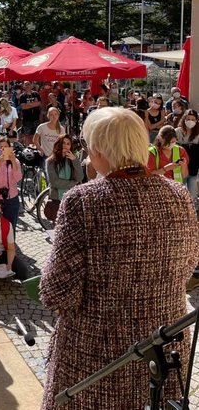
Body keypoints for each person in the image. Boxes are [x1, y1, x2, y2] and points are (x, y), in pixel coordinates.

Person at [40, 107, 199, 409]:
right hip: (164, 349)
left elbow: (58, 292)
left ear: (99, 150)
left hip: (97, 356)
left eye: (87, 145)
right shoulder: (179, 196)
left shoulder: (83, 201)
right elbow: (189, 265)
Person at [0, 137, 22, 233]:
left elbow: (18, 178)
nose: (3, 150)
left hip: (11, 199)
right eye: (0, 147)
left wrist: (13, 161)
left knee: (10, 227)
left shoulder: (15, 161)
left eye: (6, 147)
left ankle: (10, 242)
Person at [45, 134, 84, 220]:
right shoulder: (50, 161)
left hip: (72, 198)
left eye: (68, 144)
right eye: (63, 143)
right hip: (57, 199)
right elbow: (54, 182)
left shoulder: (72, 160)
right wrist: (73, 183)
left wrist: (75, 161)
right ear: (58, 144)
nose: (65, 146)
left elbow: (80, 177)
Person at [176, 109, 199, 208]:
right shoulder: (177, 132)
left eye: (193, 119)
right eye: (188, 119)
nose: (190, 121)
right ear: (184, 119)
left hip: (194, 168)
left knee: (193, 196)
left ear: (196, 121)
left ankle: (193, 213)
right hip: (180, 168)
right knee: (179, 193)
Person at [19, 82, 42, 146]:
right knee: (27, 135)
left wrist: (28, 104)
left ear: (31, 85)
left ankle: (37, 148)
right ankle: (27, 148)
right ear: (23, 86)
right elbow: (23, 107)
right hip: (26, 119)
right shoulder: (22, 96)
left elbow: (39, 103)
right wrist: (34, 103)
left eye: (28, 84)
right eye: (26, 84)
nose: (27, 86)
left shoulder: (36, 94)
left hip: (36, 118)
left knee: (37, 135)